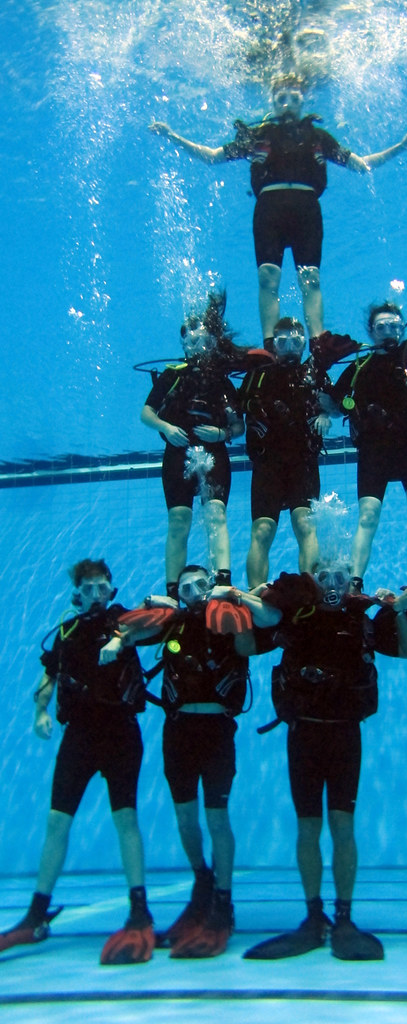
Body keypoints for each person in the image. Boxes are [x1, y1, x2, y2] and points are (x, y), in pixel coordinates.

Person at [216, 566, 407, 959]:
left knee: (342, 826)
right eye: (325, 577)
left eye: (341, 578)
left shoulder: (360, 621)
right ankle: (314, 917)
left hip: (345, 735)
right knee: (308, 827)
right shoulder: (296, 617)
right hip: (305, 736)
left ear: (353, 582)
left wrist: (397, 611)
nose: (333, 585)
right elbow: (246, 648)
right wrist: (242, 604)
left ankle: (343, 917)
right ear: (313, 581)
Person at [149, 74, 407, 340]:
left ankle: (318, 341)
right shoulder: (257, 136)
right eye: (281, 98)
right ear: (273, 103)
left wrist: (401, 147)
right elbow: (211, 157)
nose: (287, 103)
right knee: (268, 277)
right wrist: (172, 135)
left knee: (310, 278)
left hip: (307, 210)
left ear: (303, 101)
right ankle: (270, 343)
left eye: (293, 97)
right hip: (269, 210)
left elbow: (361, 165)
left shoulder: (319, 137)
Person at [0, 560, 153, 965]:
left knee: (126, 818)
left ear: (112, 589)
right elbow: (49, 673)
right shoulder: (67, 631)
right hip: (80, 736)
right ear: (77, 594)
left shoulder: (124, 620)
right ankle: (36, 914)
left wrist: (123, 639)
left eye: (103, 587)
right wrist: (41, 712)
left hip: (120, 732)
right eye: (89, 590)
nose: (97, 596)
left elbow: (159, 625)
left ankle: (140, 909)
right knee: (57, 821)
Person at [100, 565, 253, 958]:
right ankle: (203, 880)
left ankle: (224, 899)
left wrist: (233, 600)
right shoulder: (172, 625)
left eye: (200, 584)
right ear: (178, 593)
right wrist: (149, 605)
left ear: (210, 585)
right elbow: (127, 632)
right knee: (186, 818)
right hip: (179, 731)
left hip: (217, 731)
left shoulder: (226, 619)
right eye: (185, 587)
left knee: (217, 817)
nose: (193, 591)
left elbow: (248, 645)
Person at [330, 301, 407, 593]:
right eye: (381, 327)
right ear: (371, 331)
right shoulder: (359, 364)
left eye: (394, 326)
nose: (389, 332)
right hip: (374, 448)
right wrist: (324, 379)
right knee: (368, 515)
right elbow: (334, 405)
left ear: (402, 327)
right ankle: (355, 585)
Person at [140, 292, 244, 599]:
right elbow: (146, 413)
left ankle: (223, 581)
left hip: (214, 452)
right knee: (179, 519)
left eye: (203, 342)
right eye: (191, 342)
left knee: (216, 515)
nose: (197, 348)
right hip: (177, 451)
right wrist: (166, 427)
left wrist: (223, 434)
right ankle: (173, 592)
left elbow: (238, 425)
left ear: (212, 344)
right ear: (184, 345)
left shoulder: (221, 381)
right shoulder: (172, 376)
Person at [239, 316, 333, 589]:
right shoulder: (257, 375)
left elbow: (337, 403)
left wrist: (327, 413)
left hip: (303, 461)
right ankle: (256, 594)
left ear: (304, 345)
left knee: (305, 524)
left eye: (296, 341)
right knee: (262, 530)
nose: (290, 347)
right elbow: (235, 410)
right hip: (268, 463)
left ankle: (311, 590)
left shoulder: (314, 373)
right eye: (283, 342)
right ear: (274, 345)